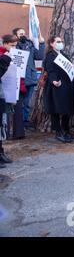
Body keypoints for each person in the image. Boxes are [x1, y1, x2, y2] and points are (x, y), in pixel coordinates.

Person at [43, 36, 74, 143]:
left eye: (61, 41)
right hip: (57, 86)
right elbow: (50, 70)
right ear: (52, 44)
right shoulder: (50, 56)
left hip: (67, 85)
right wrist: (54, 80)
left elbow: (67, 66)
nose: (61, 43)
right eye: (58, 42)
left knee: (67, 108)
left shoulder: (63, 55)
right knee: (56, 109)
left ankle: (66, 130)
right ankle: (58, 132)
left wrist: (73, 67)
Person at [12, 28, 45, 130]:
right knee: (18, 103)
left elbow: (39, 56)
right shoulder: (14, 47)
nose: (23, 35)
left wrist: (41, 44)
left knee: (27, 102)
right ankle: (18, 123)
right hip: (19, 79)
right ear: (16, 36)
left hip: (30, 78)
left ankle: (25, 121)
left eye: (24, 33)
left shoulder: (29, 45)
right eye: (21, 34)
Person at [0, 35, 16, 168]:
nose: (13, 48)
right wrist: (5, 60)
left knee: (1, 124)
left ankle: (1, 152)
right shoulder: (3, 57)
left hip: (3, 94)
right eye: (11, 45)